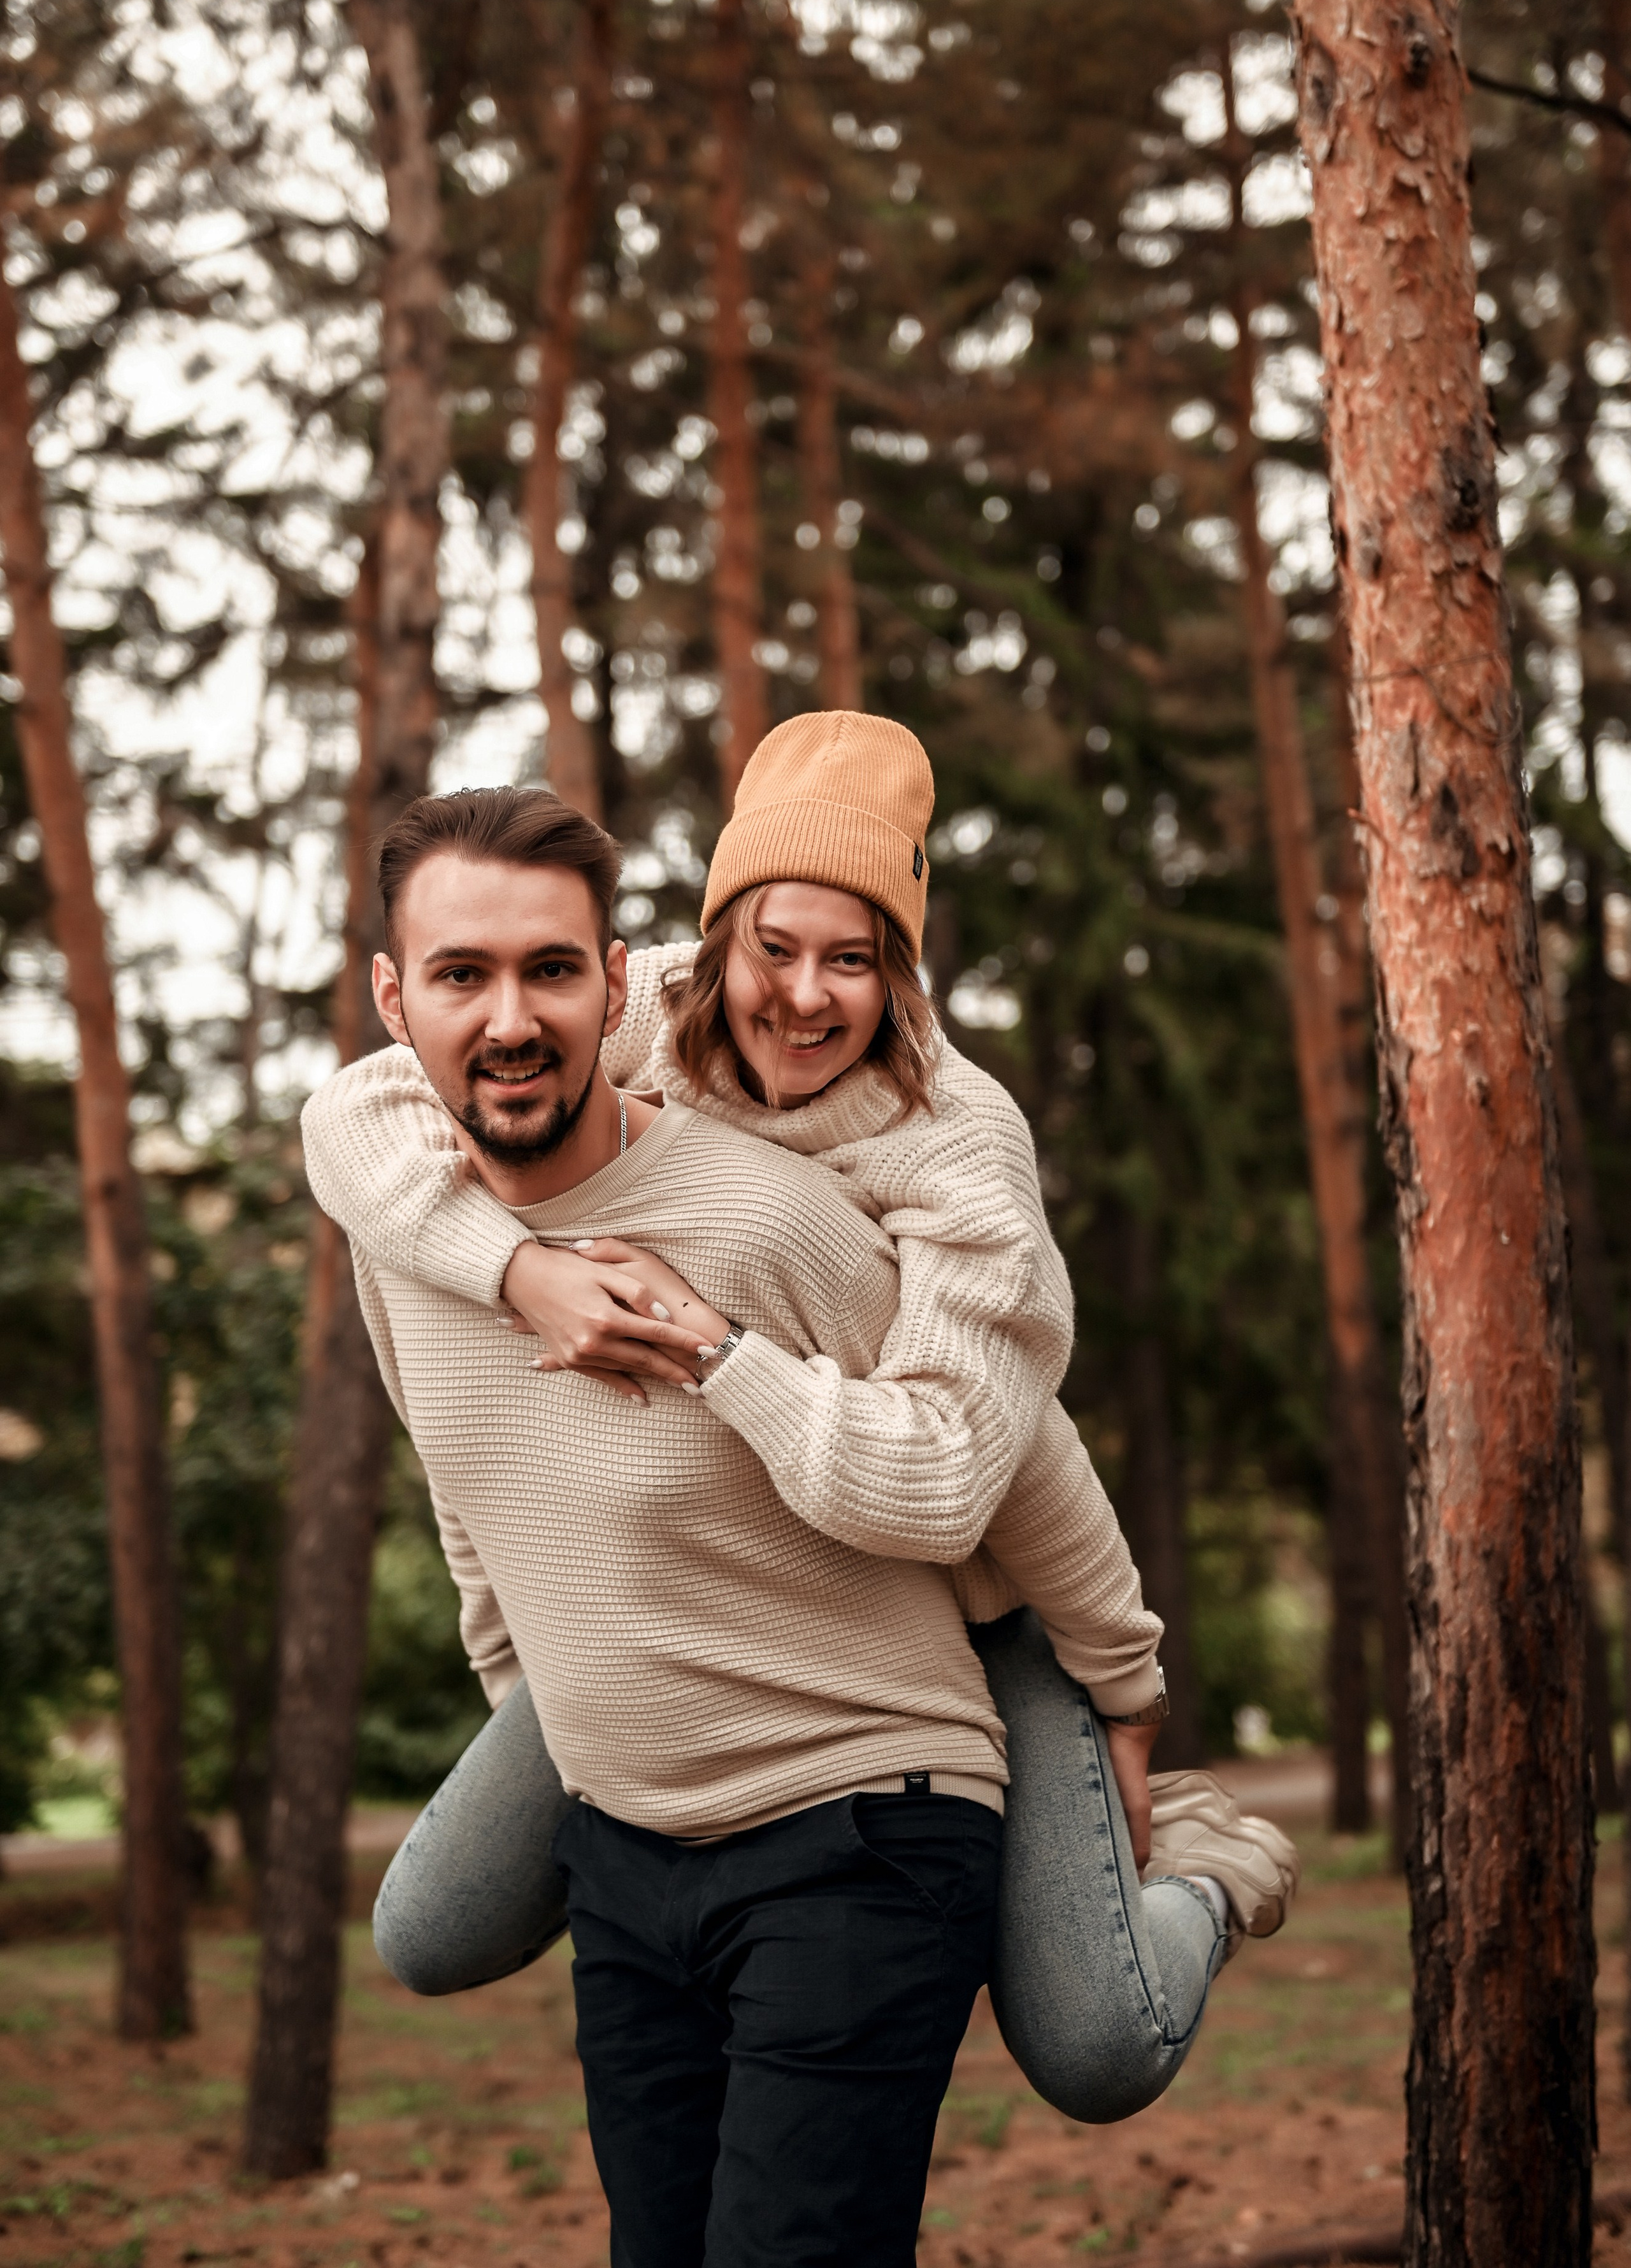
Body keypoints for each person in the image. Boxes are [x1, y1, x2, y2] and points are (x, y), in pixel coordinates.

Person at [306, 721, 1295, 2148]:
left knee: (1093, 2042)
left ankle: (1205, 1863)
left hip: (969, 1595)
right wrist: (520, 1275)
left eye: (855, 958)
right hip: (721, 1581)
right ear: (712, 942)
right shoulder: (641, 1010)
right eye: (772, 946)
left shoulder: (953, 1142)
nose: (804, 998)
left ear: (902, 968)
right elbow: (353, 1113)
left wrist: (1124, 1689)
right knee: (428, 1926)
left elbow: (977, 1470)